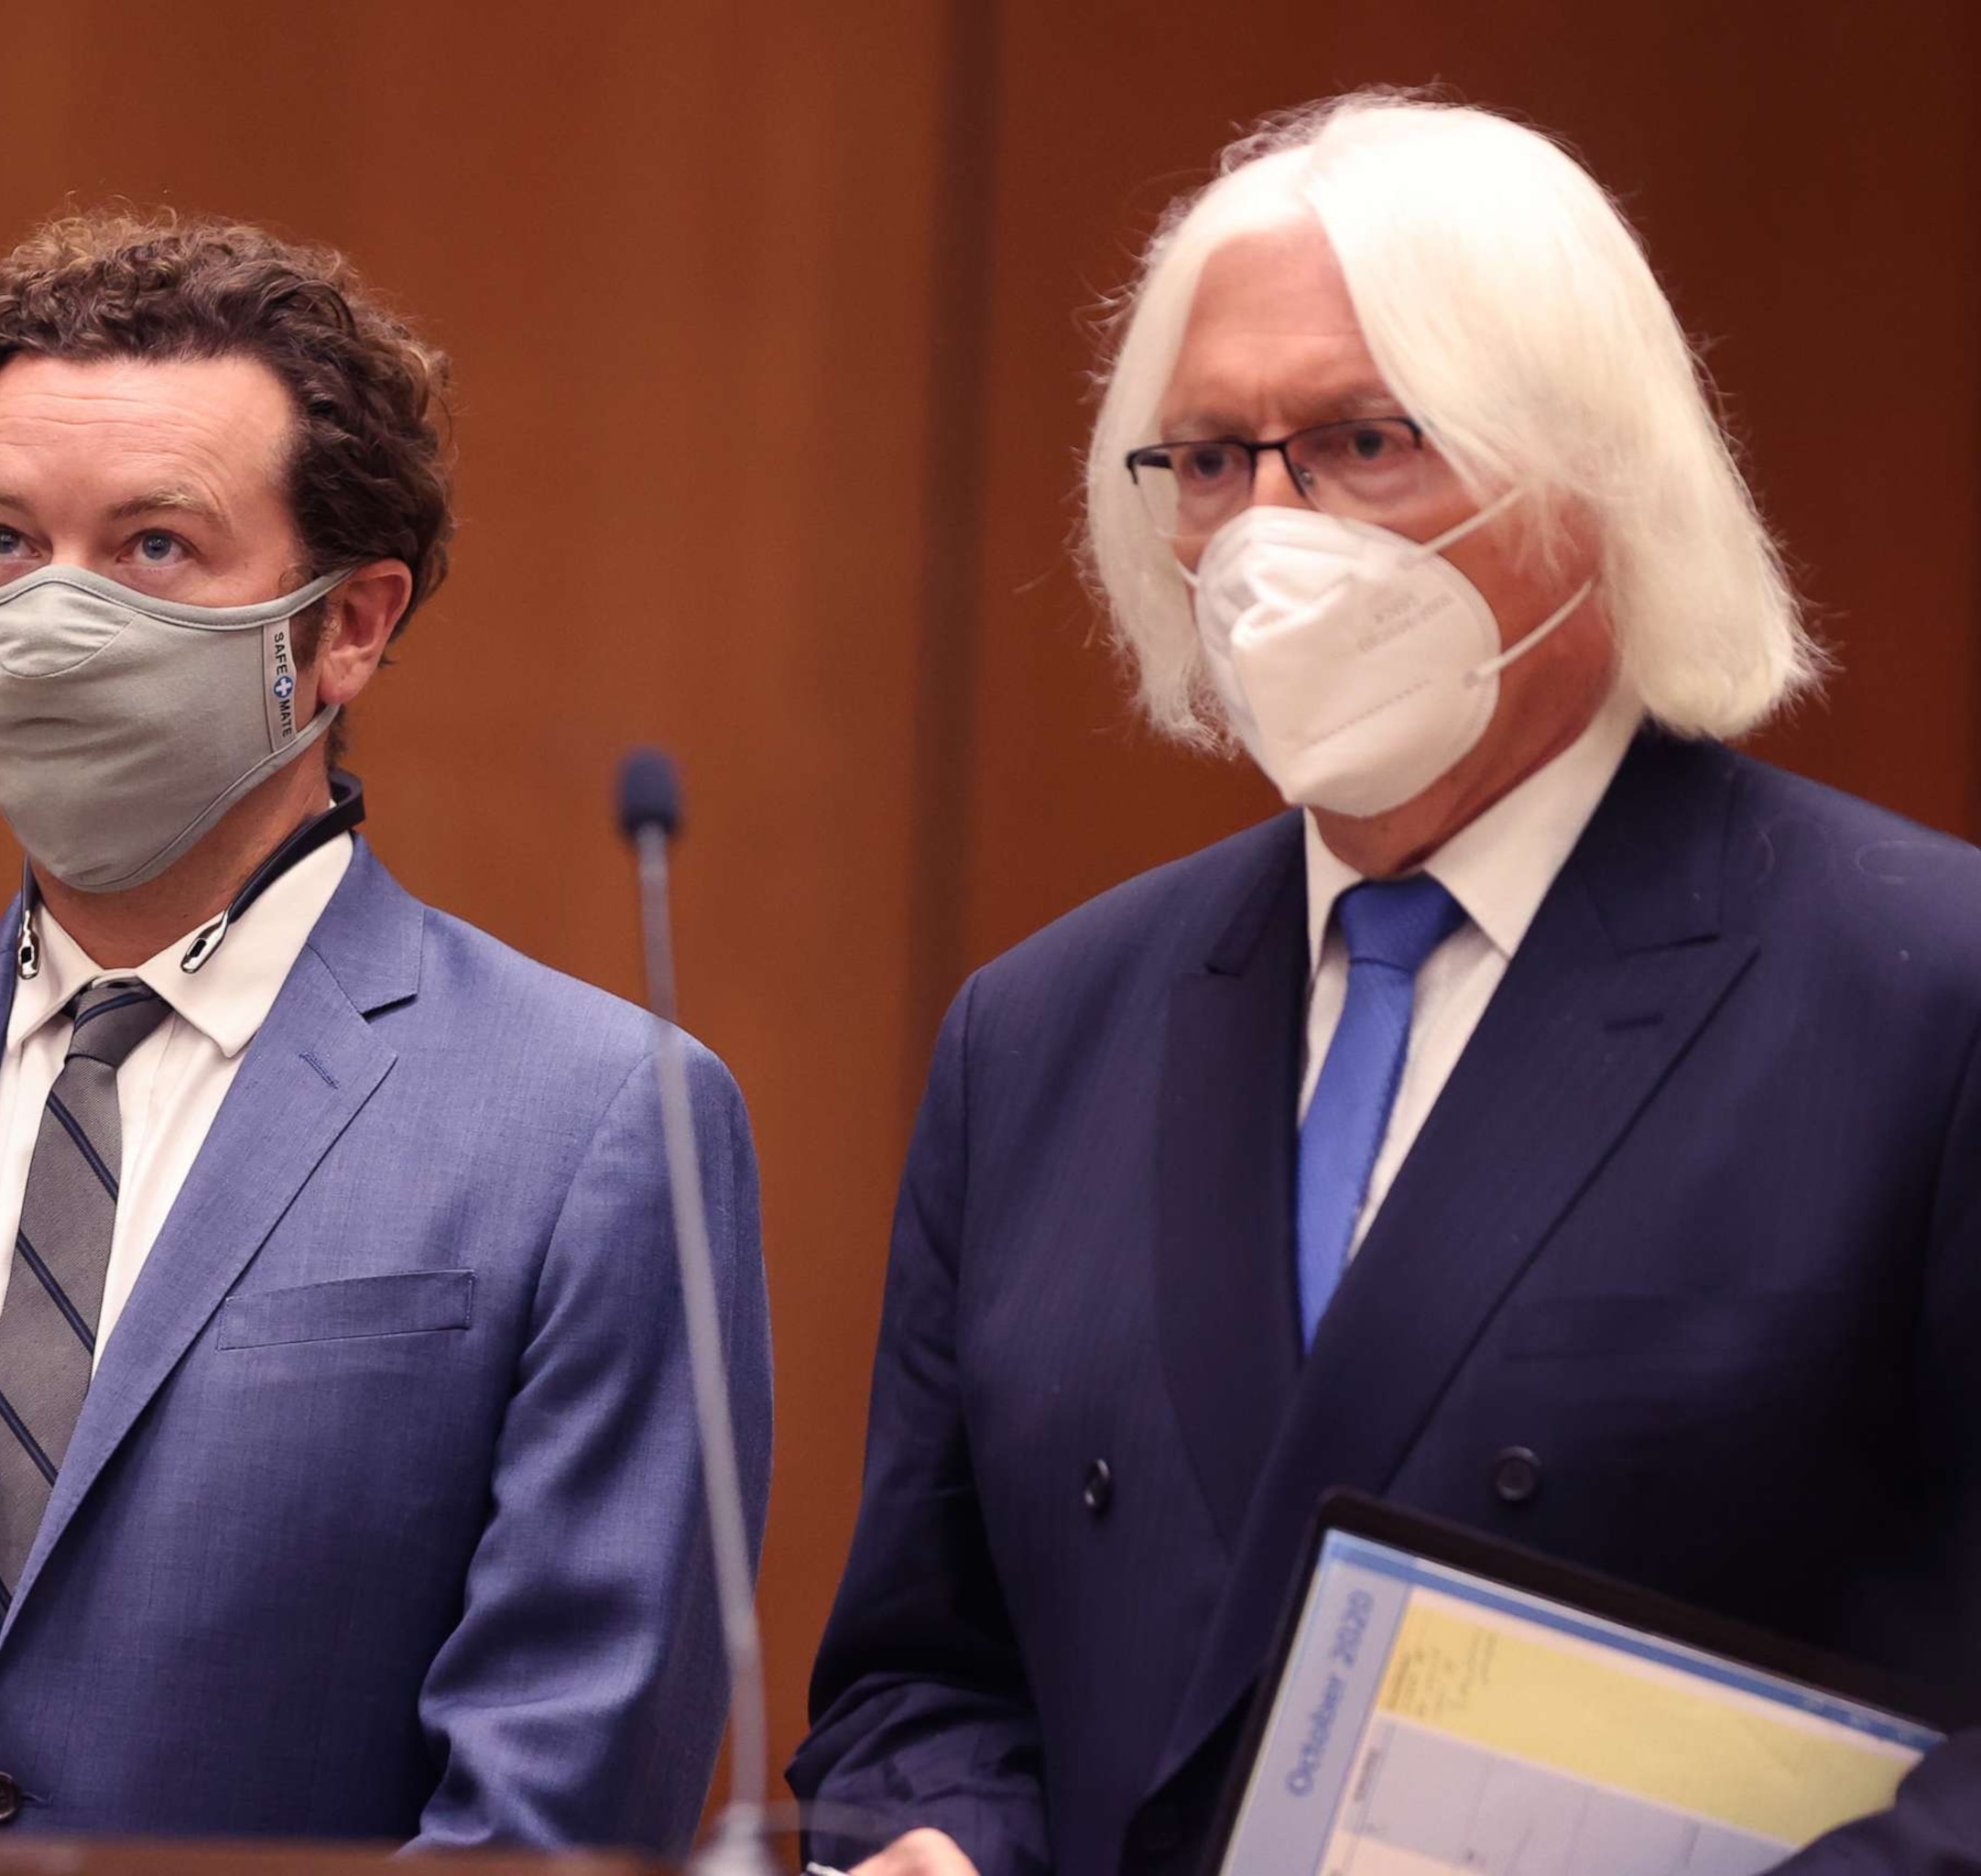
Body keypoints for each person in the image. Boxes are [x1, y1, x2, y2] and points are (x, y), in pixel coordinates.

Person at [792, 94, 1981, 1875]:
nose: (1271, 532)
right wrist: (933, 1837)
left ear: (1592, 474)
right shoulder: (1037, 1034)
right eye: (1208, 459)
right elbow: (920, 1673)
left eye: (1361, 441)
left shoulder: (1920, 996)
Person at [0, 209, 772, 1852]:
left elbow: (551, 1817)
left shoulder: (596, 1125)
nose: (50, 616)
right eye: (1, 543)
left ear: (348, 626)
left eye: (151, 548)